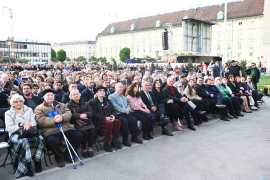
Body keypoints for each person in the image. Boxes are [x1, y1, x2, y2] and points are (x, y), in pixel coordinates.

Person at [35, 89, 83, 167]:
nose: (50, 97)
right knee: (51, 141)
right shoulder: (39, 108)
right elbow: (40, 120)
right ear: (44, 97)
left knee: (78, 135)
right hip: (50, 129)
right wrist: (54, 120)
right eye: (48, 95)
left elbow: (68, 113)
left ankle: (68, 154)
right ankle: (59, 158)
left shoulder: (61, 104)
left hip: (65, 127)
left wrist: (62, 117)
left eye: (52, 95)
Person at [5, 94, 46, 177]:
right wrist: (21, 125)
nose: (19, 103)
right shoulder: (8, 113)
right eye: (16, 102)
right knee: (25, 142)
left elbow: (34, 122)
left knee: (38, 139)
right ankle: (27, 167)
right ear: (12, 104)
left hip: (29, 131)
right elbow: (9, 128)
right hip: (16, 133)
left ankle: (37, 161)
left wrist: (29, 125)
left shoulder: (29, 109)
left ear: (23, 102)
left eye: (20, 101)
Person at [89, 86, 122, 152]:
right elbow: (93, 114)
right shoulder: (92, 102)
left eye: (103, 91)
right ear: (97, 93)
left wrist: (113, 116)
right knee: (109, 123)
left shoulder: (107, 101)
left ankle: (114, 141)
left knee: (117, 121)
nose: (102, 92)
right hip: (98, 121)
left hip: (108, 119)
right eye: (100, 90)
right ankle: (106, 143)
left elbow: (113, 111)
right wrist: (104, 118)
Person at [67, 89, 95, 158]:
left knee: (92, 130)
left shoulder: (86, 103)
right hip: (77, 123)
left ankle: (90, 148)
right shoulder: (69, 105)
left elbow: (91, 113)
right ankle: (84, 148)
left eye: (77, 94)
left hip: (87, 121)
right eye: (74, 94)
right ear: (71, 97)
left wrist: (85, 114)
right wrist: (79, 115)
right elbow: (69, 115)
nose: (76, 95)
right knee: (84, 132)